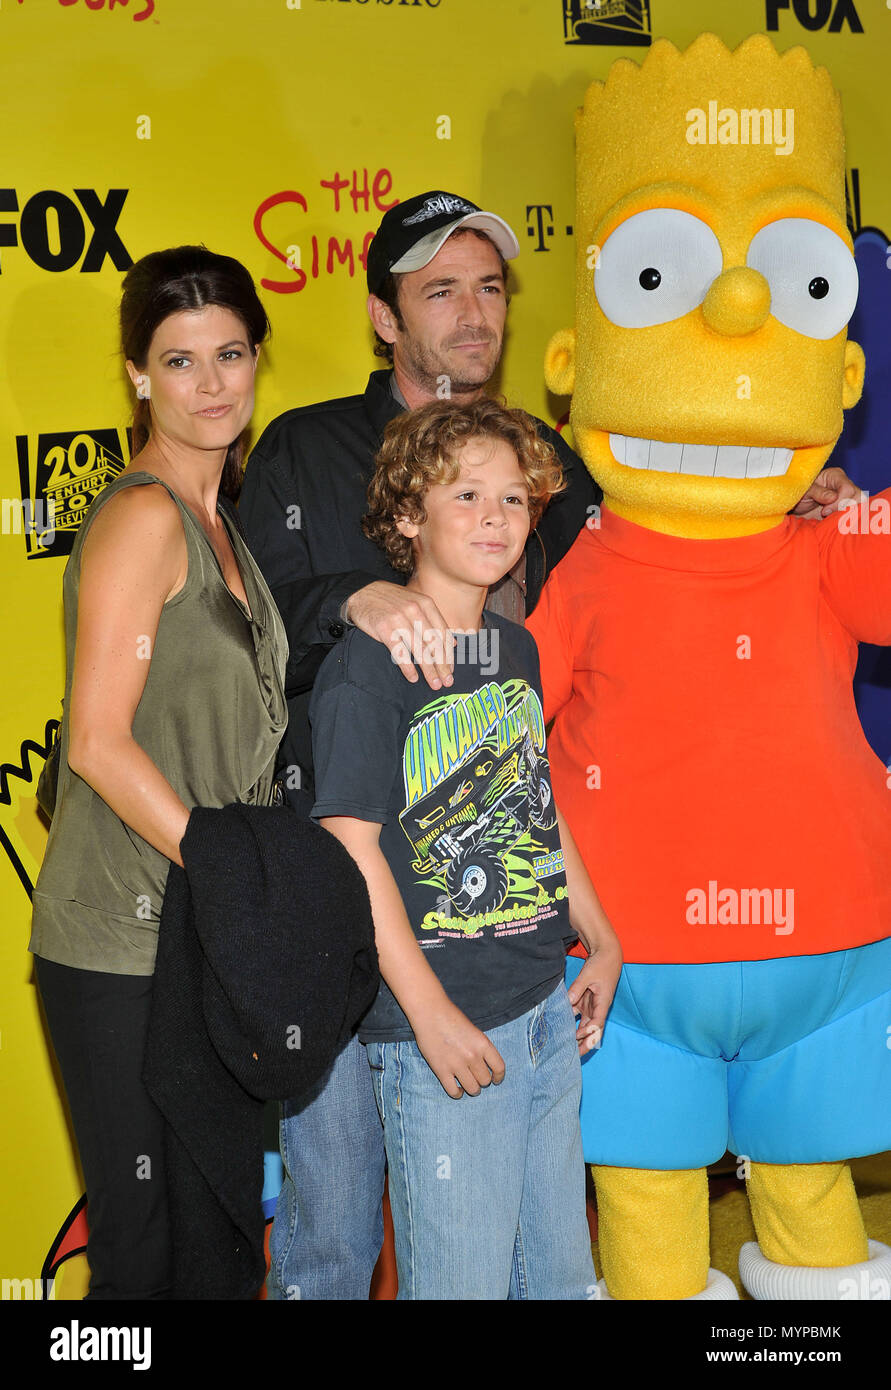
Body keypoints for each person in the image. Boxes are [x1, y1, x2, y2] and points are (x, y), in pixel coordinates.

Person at [241, 188, 862, 1302]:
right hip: (371, 935)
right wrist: (366, 602)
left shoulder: (544, 545)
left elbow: (541, 762)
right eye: (442, 289)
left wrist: (771, 501)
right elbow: (279, 657)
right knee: (336, 1234)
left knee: (550, 1269)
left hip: (525, 979)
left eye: (490, 287)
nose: (473, 312)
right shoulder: (308, 463)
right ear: (385, 316)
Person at [310, 397, 622, 1298]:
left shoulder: (512, 646)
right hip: (441, 1034)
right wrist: (430, 1016)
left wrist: (599, 937)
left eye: (515, 500)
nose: (496, 518)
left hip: (540, 1013)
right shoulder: (368, 664)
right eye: (466, 496)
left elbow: (536, 798)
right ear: (407, 518)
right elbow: (351, 851)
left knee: (558, 1282)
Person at [29, 245, 288, 1299]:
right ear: (137, 375)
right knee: (139, 1261)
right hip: (124, 946)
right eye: (179, 362)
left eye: (230, 353)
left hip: (205, 939)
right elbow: (95, 739)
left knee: (215, 1252)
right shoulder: (144, 517)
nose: (212, 383)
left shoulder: (224, 521)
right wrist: (232, 875)